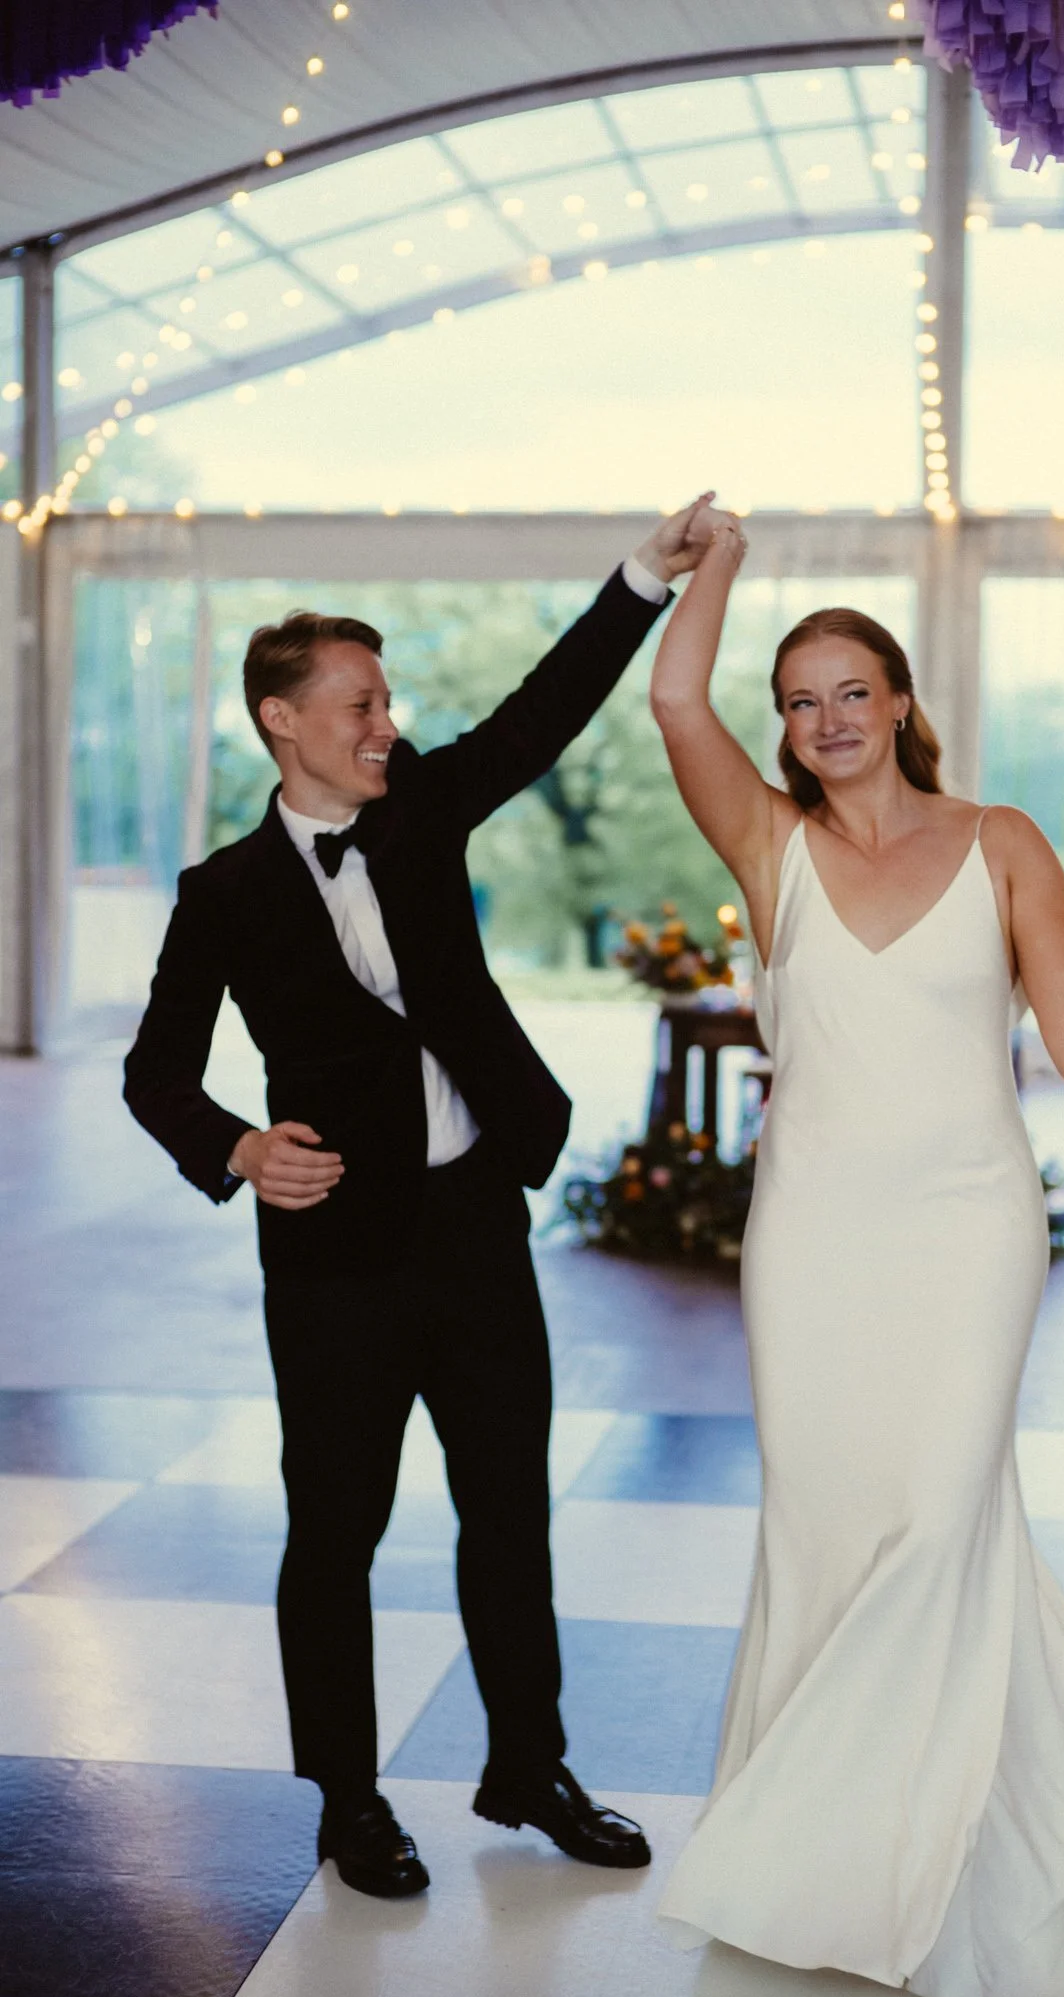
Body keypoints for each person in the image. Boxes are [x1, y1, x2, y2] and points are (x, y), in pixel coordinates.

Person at [649, 511, 1064, 1997]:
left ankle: (874, 1861)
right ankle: (880, 1838)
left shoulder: (1001, 842)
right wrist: (715, 564)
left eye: (853, 691)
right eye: (800, 702)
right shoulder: (768, 846)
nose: (827, 721)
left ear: (901, 700)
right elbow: (671, 699)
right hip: (814, 1240)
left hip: (972, 1229)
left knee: (941, 1518)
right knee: (836, 1530)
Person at [124, 500, 715, 1900]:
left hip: (475, 1226)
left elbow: (543, 713)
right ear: (281, 720)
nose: (386, 726)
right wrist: (238, 1149)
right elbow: (155, 1073)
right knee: (336, 1533)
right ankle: (348, 1800)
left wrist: (644, 576)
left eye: (387, 702)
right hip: (332, 1257)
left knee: (510, 1511)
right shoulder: (221, 894)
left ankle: (530, 1769)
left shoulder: (426, 809)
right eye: (360, 706)